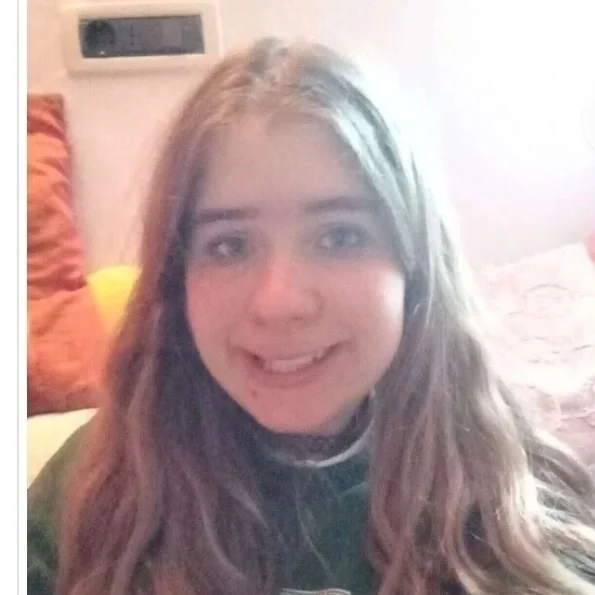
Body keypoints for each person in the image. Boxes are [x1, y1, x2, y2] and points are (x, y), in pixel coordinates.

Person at [28, 37, 595, 595]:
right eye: (230, 246)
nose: (279, 302)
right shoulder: (95, 493)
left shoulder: (522, 511)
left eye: (339, 237)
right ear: (174, 282)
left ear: (415, 263)